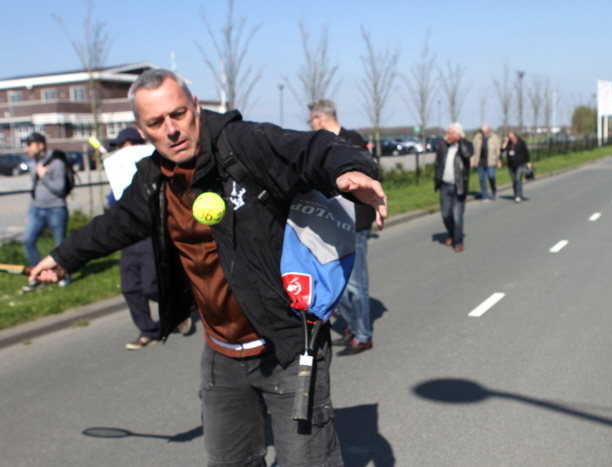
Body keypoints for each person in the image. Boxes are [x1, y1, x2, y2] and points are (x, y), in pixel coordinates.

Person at [29, 69, 386, 467]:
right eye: (157, 122)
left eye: (178, 114)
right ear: (141, 129)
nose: (172, 129)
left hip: (286, 346)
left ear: (195, 106)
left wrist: (350, 169)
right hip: (221, 357)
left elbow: (310, 148)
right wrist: (62, 258)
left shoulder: (242, 145)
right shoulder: (153, 180)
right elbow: (114, 226)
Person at [107, 127, 193, 350]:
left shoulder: (157, 165)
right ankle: (148, 330)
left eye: (122, 145)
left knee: (151, 285)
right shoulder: (118, 169)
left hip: (150, 232)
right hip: (127, 236)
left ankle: (178, 309)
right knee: (130, 288)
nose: (119, 150)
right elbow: (113, 202)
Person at [308, 99, 375, 356]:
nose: (310, 125)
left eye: (311, 120)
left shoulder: (352, 140)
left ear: (320, 118)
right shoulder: (321, 144)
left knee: (356, 283)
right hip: (333, 221)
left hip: (355, 222)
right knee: (336, 283)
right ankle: (353, 326)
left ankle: (363, 335)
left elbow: (364, 178)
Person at [22, 132, 71, 291]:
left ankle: (63, 275)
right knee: (28, 240)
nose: (27, 148)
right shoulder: (33, 163)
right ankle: (38, 275)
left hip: (56, 210)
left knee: (60, 247)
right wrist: (29, 212)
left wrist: (44, 176)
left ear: (40, 145)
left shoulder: (56, 163)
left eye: (30, 145)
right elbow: (34, 190)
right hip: (37, 210)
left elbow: (60, 189)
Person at [434, 123, 474, 252]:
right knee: (446, 215)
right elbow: (438, 164)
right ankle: (451, 233)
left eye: (450, 134)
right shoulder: (444, 147)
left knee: (457, 215)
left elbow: (467, 155)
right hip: (445, 186)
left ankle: (458, 241)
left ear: (457, 135)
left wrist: (460, 140)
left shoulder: (466, 146)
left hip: (459, 186)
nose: (447, 137)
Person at [471, 123, 502, 201]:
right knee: (482, 179)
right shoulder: (477, 137)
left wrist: (498, 161)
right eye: (482, 130)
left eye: (485, 130)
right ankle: (485, 196)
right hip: (480, 161)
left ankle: (494, 190)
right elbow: (473, 150)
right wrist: (472, 160)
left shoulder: (494, 137)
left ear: (488, 129)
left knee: (491, 176)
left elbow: (498, 151)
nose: (484, 132)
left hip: (491, 161)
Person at [502, 131, 532, 203]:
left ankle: (519, 195)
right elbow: (502, 150)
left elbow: (526, 152)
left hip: (519, 164)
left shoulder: (521, 143)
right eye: (510, 137)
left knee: (517, 179)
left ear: (515, 136)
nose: (511, 138)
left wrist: (528, 162)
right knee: (514, 180)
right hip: (511, 165)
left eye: (512, 137)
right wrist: (505, 142)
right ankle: (516, 194)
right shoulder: (509, 143)